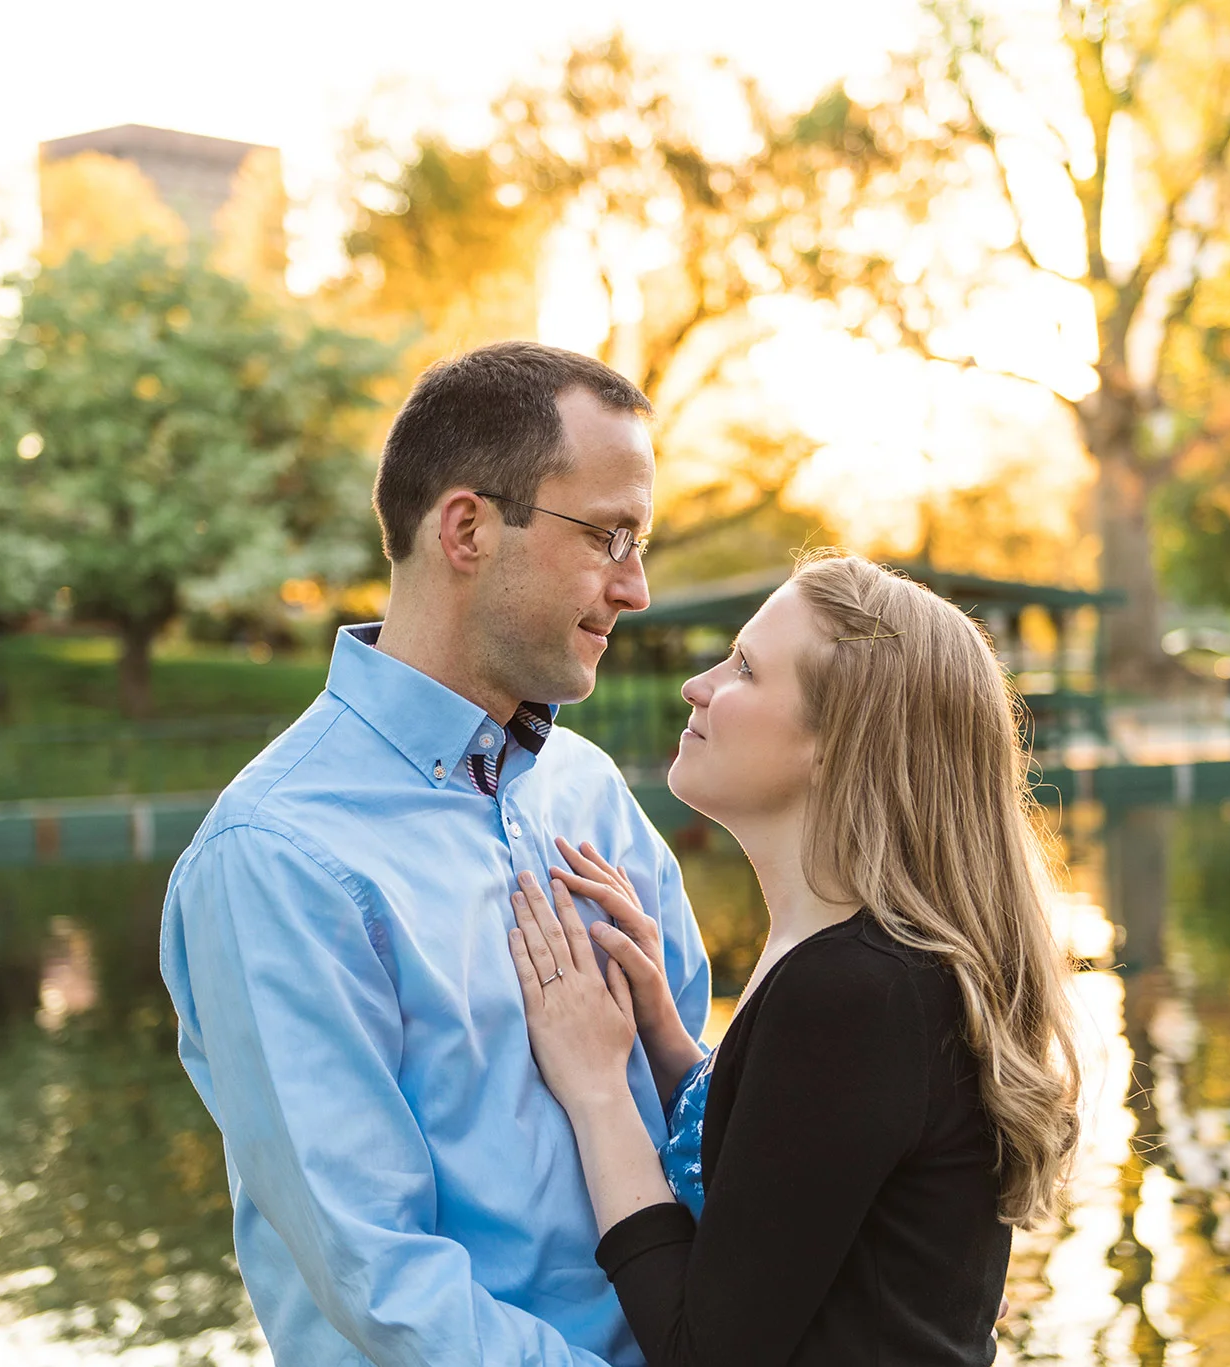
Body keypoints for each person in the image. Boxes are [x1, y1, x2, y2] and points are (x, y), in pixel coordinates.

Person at [159, 342, 713, 1366]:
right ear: (466, 528)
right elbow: (382, 1273)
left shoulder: (587, 792)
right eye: (608, 536)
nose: (634, 588)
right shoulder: (276, 858)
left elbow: (693, 1140)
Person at [506, 552, 1081, 1365]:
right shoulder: (847, 962)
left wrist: (598, 1086)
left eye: (743, 667)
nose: (696, 685)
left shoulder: (856, 993)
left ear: (837, 742)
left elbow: (703, 1351)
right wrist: (664, 1038)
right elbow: (789, 1169)